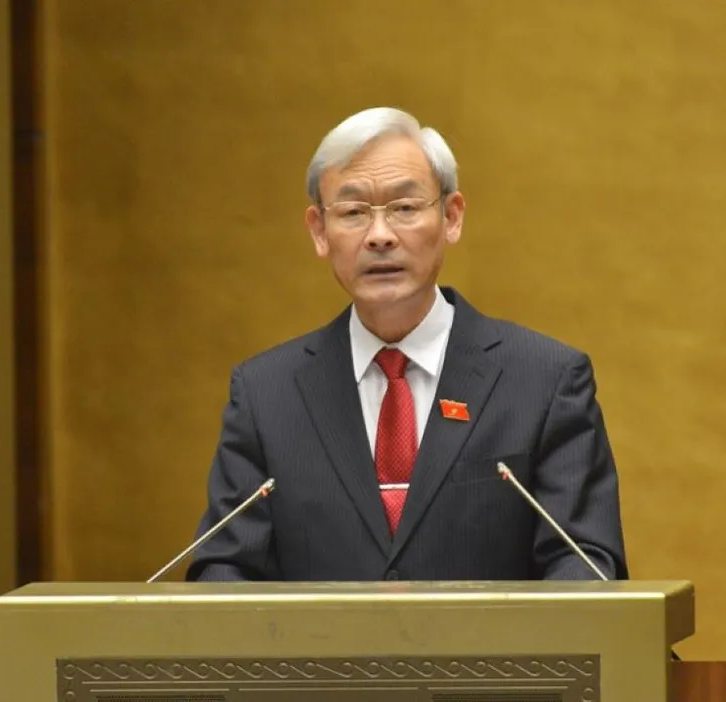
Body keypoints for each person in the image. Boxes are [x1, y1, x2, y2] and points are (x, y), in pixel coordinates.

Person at [185, 107, 628, 582]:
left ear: (451, 217)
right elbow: (224, 568)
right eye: (353, 213)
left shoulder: (543, 381)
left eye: (404, 208)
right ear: (319, 231)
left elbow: (585, 564)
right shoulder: (266, 395)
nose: (380, 237)